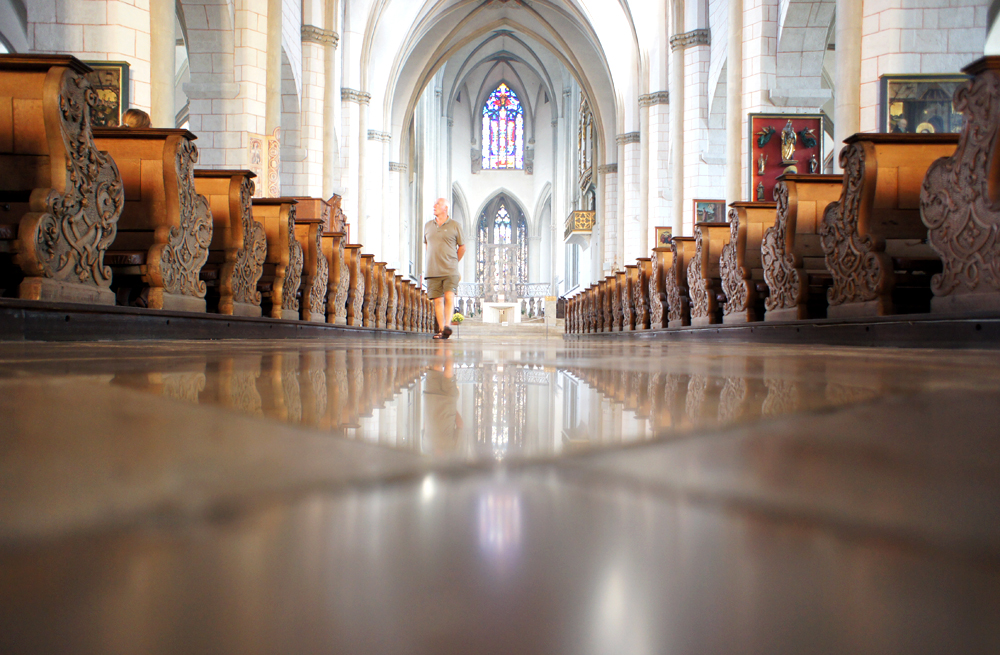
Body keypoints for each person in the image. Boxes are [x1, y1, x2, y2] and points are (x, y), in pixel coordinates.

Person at [424, 198, 465, 339]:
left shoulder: (455, 225)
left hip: (450, 269)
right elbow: (428, 245)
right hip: (432, 269)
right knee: (437, 300)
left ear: (445, 208)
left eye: (437, 204)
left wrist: (454, 261)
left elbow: (462, 247)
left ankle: (447, 325)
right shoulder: (428, 225)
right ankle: (442, 330)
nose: (434, 206)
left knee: (449, 296)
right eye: (434, 203)